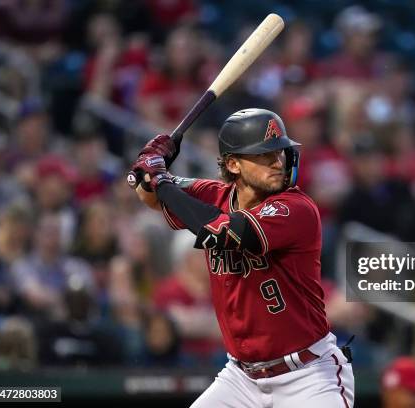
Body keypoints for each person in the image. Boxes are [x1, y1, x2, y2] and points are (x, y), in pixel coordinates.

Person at [130, 108, 354, 407]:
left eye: (280, 153)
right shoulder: (216, 195)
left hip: (309, 376)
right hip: (242, 378)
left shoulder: (295, 207)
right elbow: (151, 195)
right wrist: (148, 167)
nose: (278, 162)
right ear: (233, 164)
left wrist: (161, 179)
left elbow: (225, 234)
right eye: (264, 155)